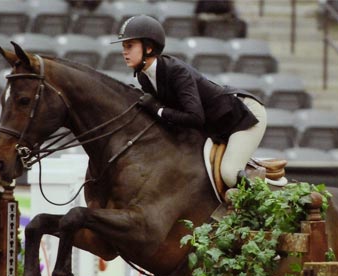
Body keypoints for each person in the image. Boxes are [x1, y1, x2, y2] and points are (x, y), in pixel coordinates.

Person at [112, 15, 267, 188]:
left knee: (229, 174)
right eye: (124, 47)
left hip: (244, 117)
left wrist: (158, 109)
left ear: (148, 48)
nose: (124, 52)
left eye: (129, 46)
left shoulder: (176, 71)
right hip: (216, 126)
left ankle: (262, 205)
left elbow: (195, 117)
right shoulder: (144, 77)